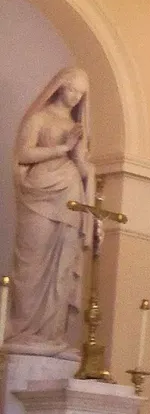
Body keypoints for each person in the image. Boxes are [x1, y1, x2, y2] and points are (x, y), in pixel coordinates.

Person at [9, 68, 91, 353]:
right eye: (72, 90)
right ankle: (23, 331)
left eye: (81, 94)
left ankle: (51, 334)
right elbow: (23, 154)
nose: (75, 97)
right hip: (39, 195)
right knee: (32, 263)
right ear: (59, 87)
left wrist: (81, 160)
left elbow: (84, 168)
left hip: (69, 197)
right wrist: (62, 148)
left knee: (62, 267)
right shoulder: (39, 118)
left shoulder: (77, 125)